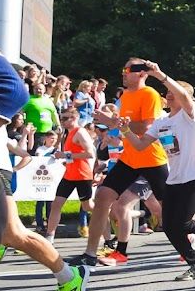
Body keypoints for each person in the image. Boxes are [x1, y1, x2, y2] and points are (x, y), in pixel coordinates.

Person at [0, 32, 120, 291]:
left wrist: (72, 160)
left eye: (73, 114)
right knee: (14, 233)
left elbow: (9, 88)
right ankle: (69, 278)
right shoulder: (70, 132)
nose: (70, 117)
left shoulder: (81, 134)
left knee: (23, 230)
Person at [113, 61, 195, 280]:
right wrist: (124, 130)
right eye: (167, 93)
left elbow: (186, 98)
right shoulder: (161, 122)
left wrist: (160, 74)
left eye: (173, 92)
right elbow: (140, 145)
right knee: (169, 226)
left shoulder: (191, 116)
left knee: (185, 224)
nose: (168, 95)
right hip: (174, 179)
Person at [70, 58, 170, 267]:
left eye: (128, 70)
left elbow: (146, 127)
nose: (123, 73)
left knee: (168, 209)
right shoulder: (125, 95)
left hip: (152, 159)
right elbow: (125, 128)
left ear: (142, 73)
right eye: (123, 69)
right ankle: (91, 253)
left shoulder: (149, 94)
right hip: (129, 159)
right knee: (103, 196)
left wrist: (113, 122)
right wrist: (112, 121)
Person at [44, 107, 96, 241]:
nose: (63, 121)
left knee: (88, 206)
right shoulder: (69, 133)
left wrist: (65, 155)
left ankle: (105, 223)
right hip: (70, 174)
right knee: (56, 204)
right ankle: (49, 237)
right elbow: (73, 155)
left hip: (82, 175)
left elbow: (90, 153)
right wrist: (66, 159)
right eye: (62, 119)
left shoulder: (80, 132)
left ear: (76, 118)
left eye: (67, 118)